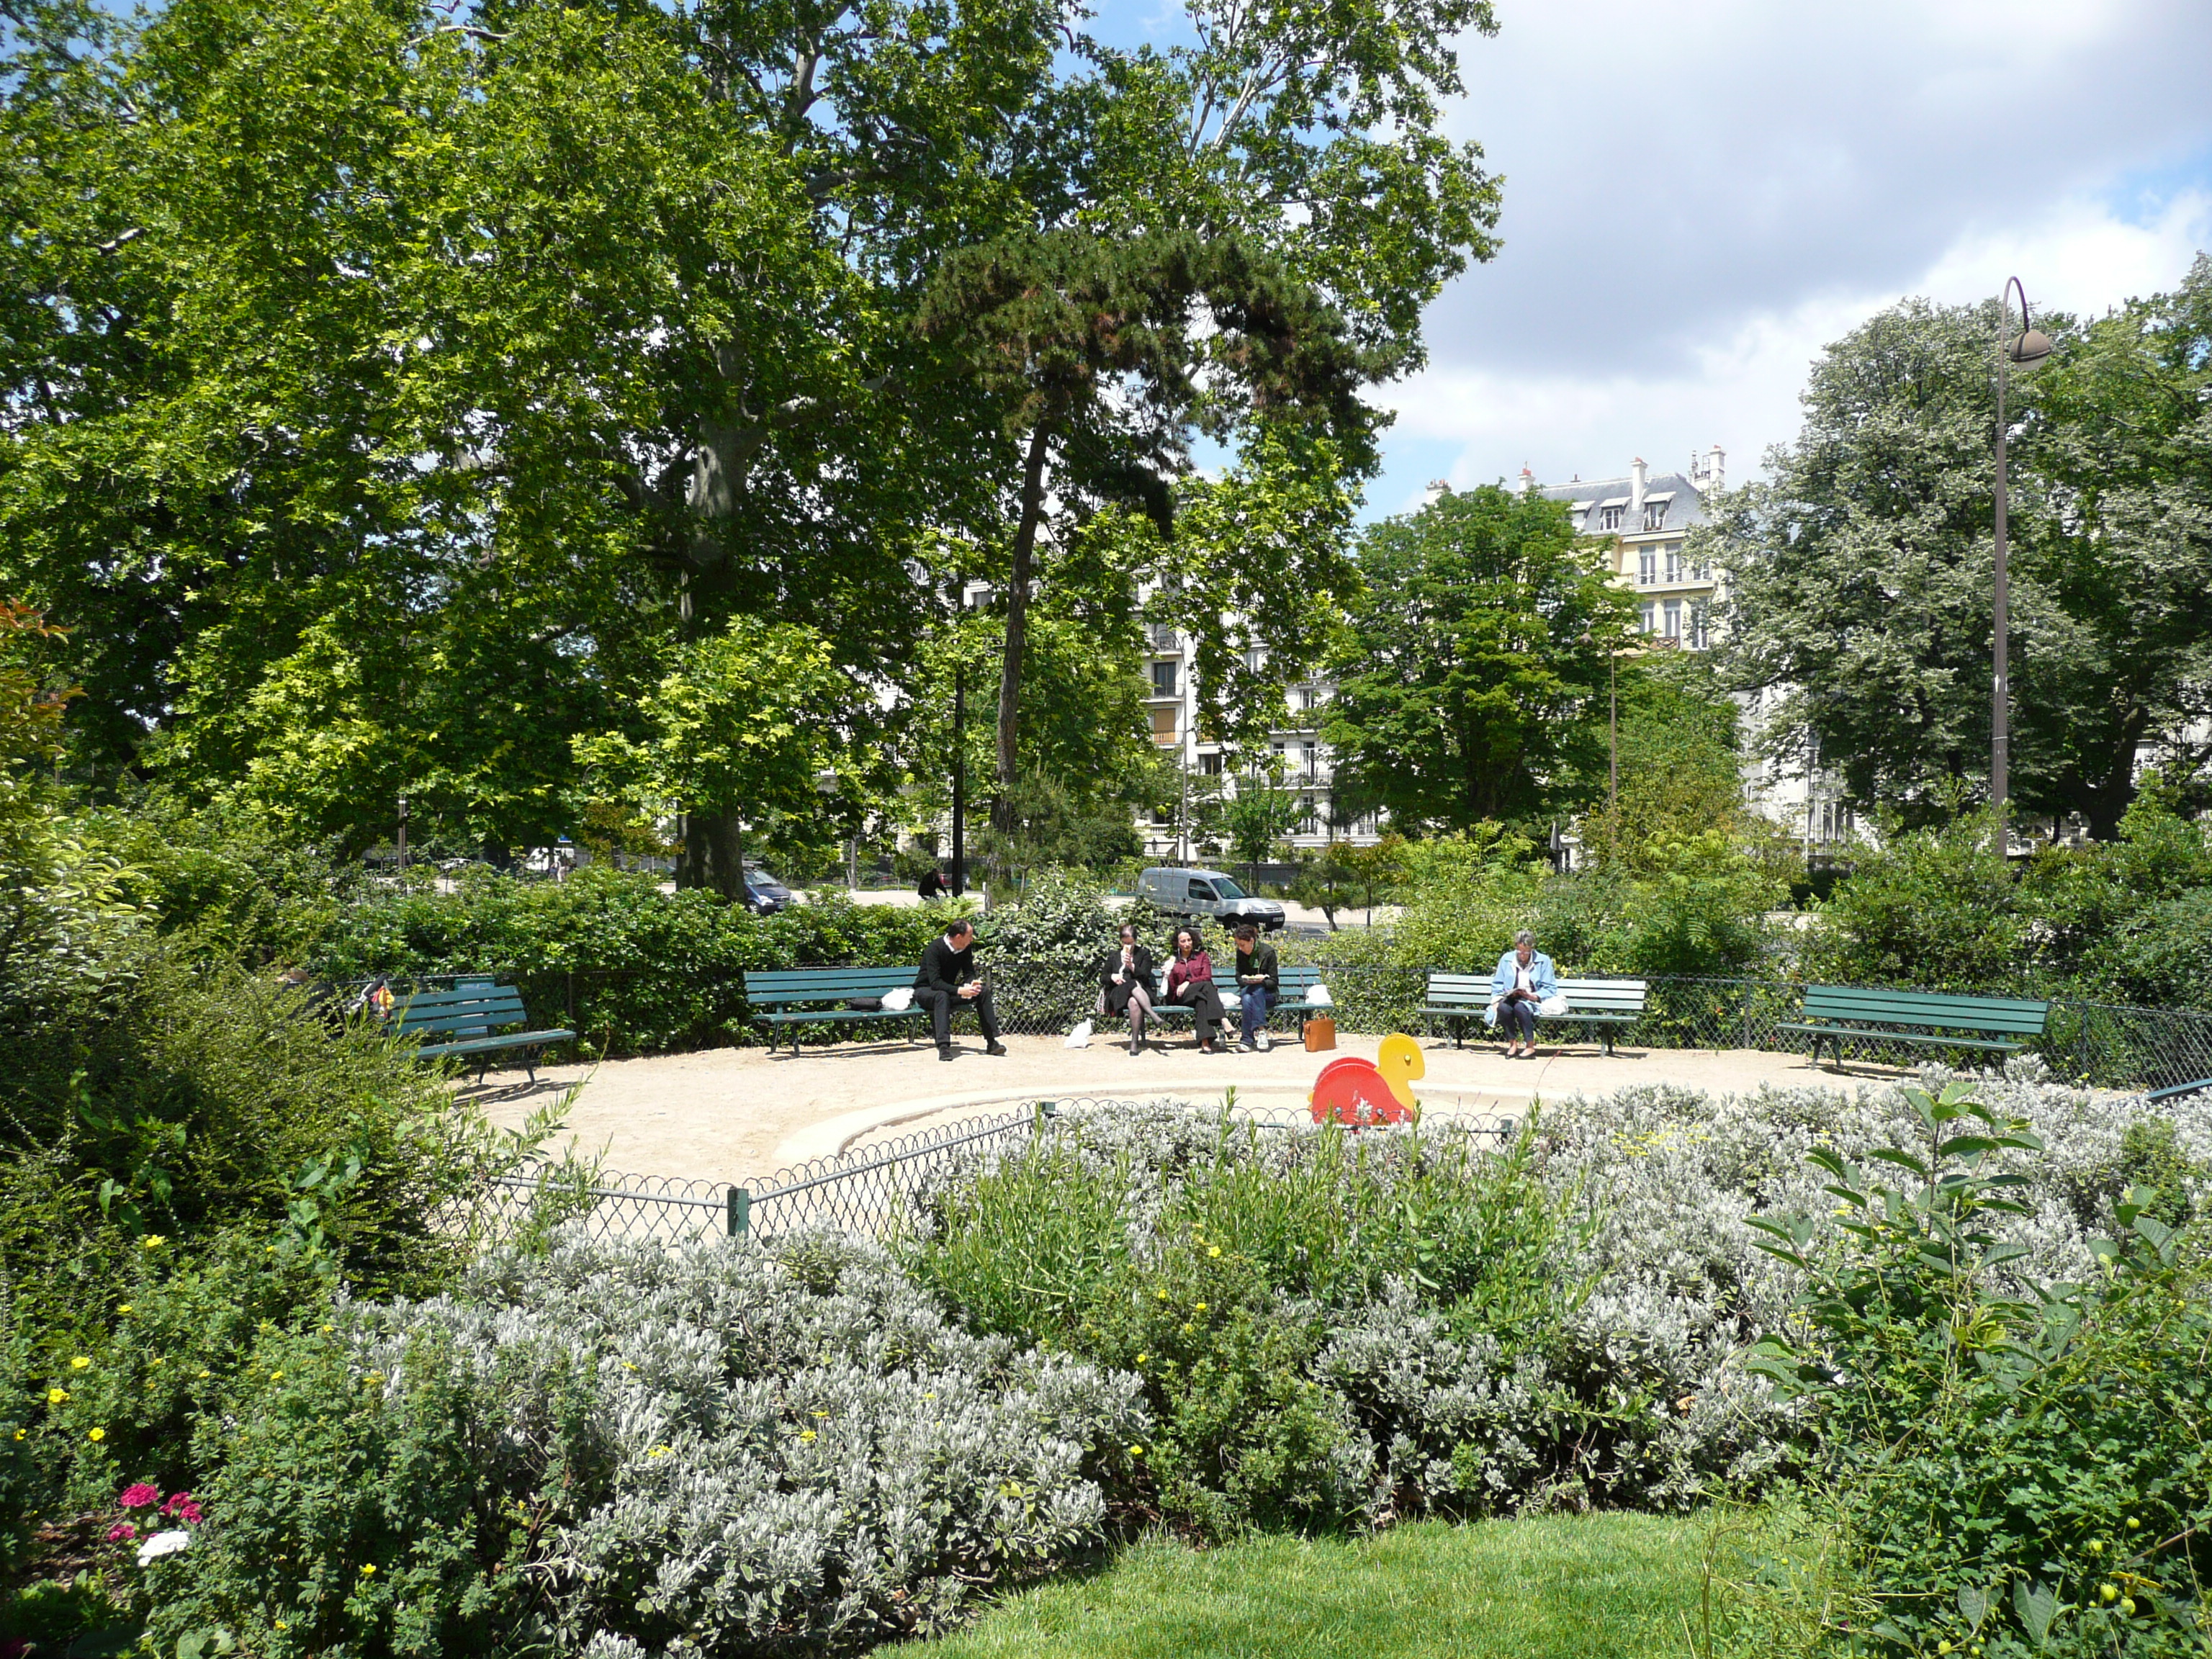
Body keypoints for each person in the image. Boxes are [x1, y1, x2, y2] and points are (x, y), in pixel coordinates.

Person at [914, 918, 1007, 1061]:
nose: (972, 939)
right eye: (969, 936)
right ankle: (944, 1047)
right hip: (925, 992)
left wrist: (973, 983)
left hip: (947, 992)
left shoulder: (965, 949)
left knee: (983, 991)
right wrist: (959, 991)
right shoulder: (934, 949)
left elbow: (969, 972)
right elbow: (935, 983)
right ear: (959, 937)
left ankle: (992, 1043)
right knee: (941, 995)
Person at [1488, 929, 1558, 1059]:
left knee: (1521, 1007)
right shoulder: (1507, 959)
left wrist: (1533, 996)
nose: (1523, 955)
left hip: (1532, 1000)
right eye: (1520, 951)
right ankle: (1512, 1044)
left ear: (1532, 948)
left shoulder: (1543, 960)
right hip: (1510, 997)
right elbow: (1497, 983)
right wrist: (1497, 999)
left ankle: (1530, 1047)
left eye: (1526, 952)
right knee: (1503, 1008)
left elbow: (1550, 987)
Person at [1164, 925, 1227, 1054]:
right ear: (1177, 943)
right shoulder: (1173, 960)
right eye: (1183, 941)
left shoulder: (1202, 956)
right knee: (1207, 986)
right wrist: (1167, 974)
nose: (1187, 944)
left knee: (1202, 1000)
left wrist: (1188, 982)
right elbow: (1172, 990)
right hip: (1180, 997)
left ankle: (1205, 1043)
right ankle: (1224, 1020)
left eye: (1189, 940)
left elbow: (1207, 976)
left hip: (1198, 994)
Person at [1100, 922, 1156, 1056]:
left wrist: (1132, 966)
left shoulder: (1143, 954)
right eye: (1125, 943)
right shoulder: (1114, 955)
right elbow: (1103, 977)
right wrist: (1113, 977)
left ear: (1135, 941)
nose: (1128, 946)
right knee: (1132, 983)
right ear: (1121, 941)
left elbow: (1145, 975)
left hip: (1141, 994)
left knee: (1134, 1002)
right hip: (1118, 993)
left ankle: (1134, 1043)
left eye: (1130, 943)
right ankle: (1153, 1015)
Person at [1231, 922, 1278, 1051]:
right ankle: (1259, 1033)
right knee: (1247, 998)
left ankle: (1248, 1039)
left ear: (1252, 941)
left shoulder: (1268, 953)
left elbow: (1274, 981)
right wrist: (1247, 980)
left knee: (1256, 992)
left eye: (1243, 945)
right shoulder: (1240, 954)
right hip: (1249, 991)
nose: (1240, 948)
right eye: (1238, 945)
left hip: (1268, 995)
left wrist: (1261, 981)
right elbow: (1238, 977)